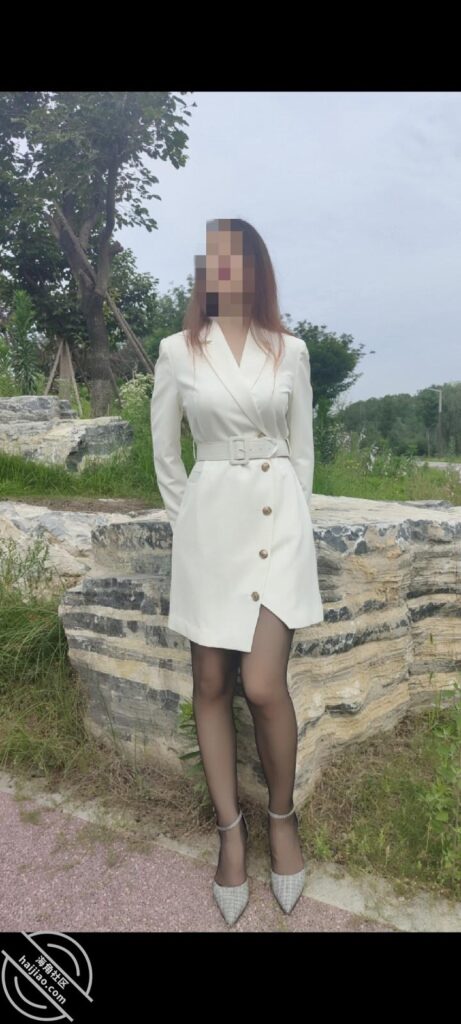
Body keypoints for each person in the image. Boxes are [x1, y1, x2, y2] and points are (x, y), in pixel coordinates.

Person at [150, 218, 324, 926]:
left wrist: (298, 523)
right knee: (211, 682)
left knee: (262, 683)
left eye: (239, 258)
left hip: (277, 524)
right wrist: (187, 522)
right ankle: (230, 831)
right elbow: (166, 454)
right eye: (215, 259)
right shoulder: (176, 351)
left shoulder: (290, 350)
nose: (226, 270)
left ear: (256, 270)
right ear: (205, 272)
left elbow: (302, 452)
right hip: (209, 524)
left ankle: (281, 817)